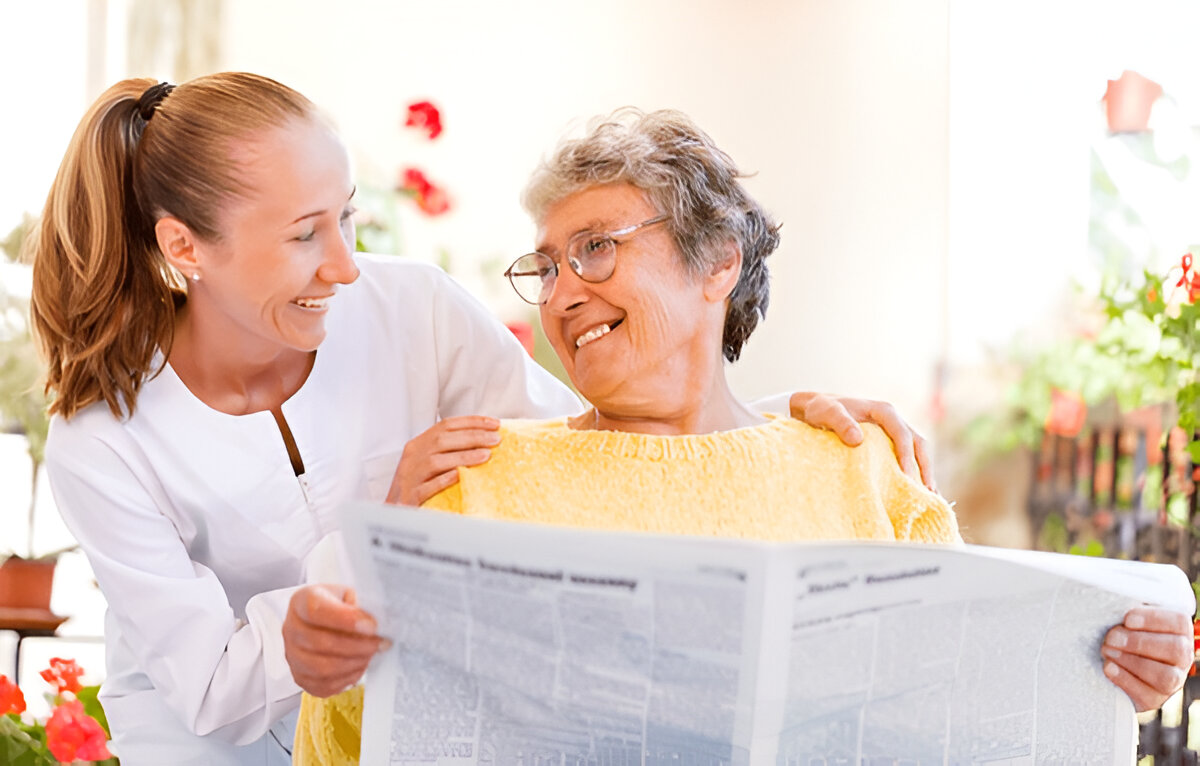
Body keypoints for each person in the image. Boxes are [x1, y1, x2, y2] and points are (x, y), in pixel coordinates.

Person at [31, 74, 935, 765]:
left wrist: (776, 430)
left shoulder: (410, 309)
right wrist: (374, 535)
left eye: (347, 219)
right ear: (185, 248)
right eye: (306, 234)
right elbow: (216, 690)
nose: (346, 266)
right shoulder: (102, 440)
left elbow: (599, 437)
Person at [290, 108, 1195, 765]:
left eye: (596, 247)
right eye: (548, 265)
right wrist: (332, 666)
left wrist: (1108, 683)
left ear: (718, 260)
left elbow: (978, 723)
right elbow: (357, 748)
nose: (563, 293)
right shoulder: (471, 478)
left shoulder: (864, 472)